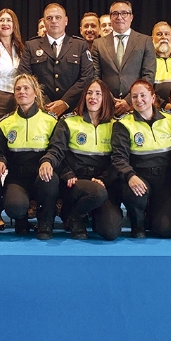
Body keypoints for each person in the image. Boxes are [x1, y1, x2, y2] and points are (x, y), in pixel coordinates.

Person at [40, 79, 122, 240]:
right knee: (96, 193)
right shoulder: (69, 121)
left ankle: (80, 213)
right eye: (89, 93)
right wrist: (60, 170)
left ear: (105, 98)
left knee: (111, 231)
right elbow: (57, 151)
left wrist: (104, 179)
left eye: (98, 94)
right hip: (74, 181)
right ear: (84, 97)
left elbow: (119, 159)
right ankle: (74, 217)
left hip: (101, 183)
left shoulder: (115, 125)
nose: (93, 97)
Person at [0, 74, 60, 240]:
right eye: (18, 89)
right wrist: (0, 160)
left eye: (26, 88)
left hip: (42, 174)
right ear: (14, 94)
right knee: (14, 206)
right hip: (17, 178)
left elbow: (57, 149)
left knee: (51, 180)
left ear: (35, 93)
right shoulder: (5, 122)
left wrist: (48, 160)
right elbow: (0, 152)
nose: (22, 92)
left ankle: (45, 222)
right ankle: (21, 220)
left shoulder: (51, 121)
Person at [111, 80, 171, 238]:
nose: (139, 100)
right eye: (134, 96)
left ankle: (152, 215)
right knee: (135, 193)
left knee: (165, 230)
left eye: (143, 95)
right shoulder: (123, 124)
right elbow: (119, 158)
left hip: (165, 180)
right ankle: (137, 223)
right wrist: (130, 176)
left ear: (153, 97)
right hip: (139, 177)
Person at [19, 3, 95, 117]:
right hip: (41, 111)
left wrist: (65, 102)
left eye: (58, 17)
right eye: (49, 18)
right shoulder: (31, 46)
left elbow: (87, 77)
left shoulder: (79, 45)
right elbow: (25, 77)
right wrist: (45, 103)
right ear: (44, 22)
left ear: (66, 21)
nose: (54, 21)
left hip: (73, 111)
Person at [91, 0, 156, 115]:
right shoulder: (98, 44)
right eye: (115, 14)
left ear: (131, 17)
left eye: (124, 13)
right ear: (110, 18)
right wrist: (109, 99)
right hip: (107, 105)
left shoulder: (145, 41)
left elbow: (148, 75)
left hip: (136, 105)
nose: (119, 17)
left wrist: (129, 100)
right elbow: (95, 76)